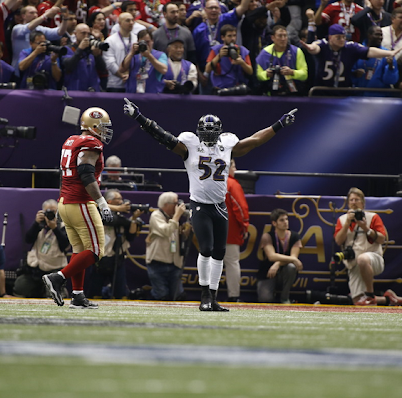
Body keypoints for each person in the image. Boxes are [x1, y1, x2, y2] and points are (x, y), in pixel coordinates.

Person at [123, 98, 297, 311]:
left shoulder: (226, 146)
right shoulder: (190, 146)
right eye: (205, 131)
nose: (208, 135)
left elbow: (254, 141)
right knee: (205, 249)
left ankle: (212, 298)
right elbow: (163, 136)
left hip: (219, 206)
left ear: (219, 132)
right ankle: (204, 296)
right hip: (200, 205)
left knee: (219, 252)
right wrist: (139, 117)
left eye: (212, 131)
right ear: (198, 132)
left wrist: (279, 124)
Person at [42, 107, 115, 309]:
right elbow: (85, 172)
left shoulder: (71, 140)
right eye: (103, 127)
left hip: (65, 202)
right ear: (93, 126)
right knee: (96, 251)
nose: (105, 131)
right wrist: (102, 202)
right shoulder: (91, 143)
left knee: (79, 250)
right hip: (81, 202)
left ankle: (78, 296)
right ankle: (58, 277)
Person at [333, 187, 402, 306]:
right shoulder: (342, 220)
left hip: (373, 258)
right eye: (351, 200)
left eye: (357, 200)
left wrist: (365, 228)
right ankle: (389, 299)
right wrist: (347, 223)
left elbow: (382, 239)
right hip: (353, 263)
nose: (354, 203)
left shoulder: (372, 217)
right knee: (358, 302)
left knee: (362, 259)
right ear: (348, 203)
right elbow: (338, 241)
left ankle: (369, 294)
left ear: (363, 203)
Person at [87, 189, 143, 299]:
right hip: (100, 258)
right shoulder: (98, 213)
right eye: (118, 199)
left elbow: (130, 236)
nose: (122, 202)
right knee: (94, 293)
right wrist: (120, 210)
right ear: (109, 201)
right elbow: (109, 219)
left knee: (120, 293)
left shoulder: (121, 217)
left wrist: (134, 219)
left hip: (117, 258)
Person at [305, 23, 399, 88]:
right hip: (321, 90)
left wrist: (389, 53)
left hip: (343, 91)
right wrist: (311, 48)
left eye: (343, 37)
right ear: (330, 37)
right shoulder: (323, 44)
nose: (342, 40)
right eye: (338, 38)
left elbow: (369, 51)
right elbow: (315, 48)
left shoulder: (350, 47)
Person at [13, 199, 70, 298]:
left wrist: (54, 228)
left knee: (53, 294)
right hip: (36, 269)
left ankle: (60, 291)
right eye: (48, 212)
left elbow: (65, 245)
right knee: (20, 286)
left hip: (54, 269)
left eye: (53, 211)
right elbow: (28, 239)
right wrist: (36, 223)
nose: (51, 214)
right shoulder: (39, 225)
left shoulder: (64, 226)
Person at [146, 191, 187, 301]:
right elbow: (166, 231)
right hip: (157, 263)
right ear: (166, 204)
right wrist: (177, 216)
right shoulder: (156, 215)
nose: (177, 206)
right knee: (161, 296)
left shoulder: (174, 218)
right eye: (175, 203)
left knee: (178, 296)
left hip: (175, 263)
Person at [256, 208, 301, 304]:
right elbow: (271, 256)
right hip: (268, 272)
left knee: (291, 267)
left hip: (284, 272)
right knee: (265, 299)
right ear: (274, 223)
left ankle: (285, 298)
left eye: (286, 219)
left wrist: (278, 263)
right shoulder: (267, 236)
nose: (285, 222)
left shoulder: (295, 236)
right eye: (282, 220)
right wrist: (293, 259)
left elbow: (294, 257)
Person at [256, 24, 308, 96]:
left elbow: (304, 74)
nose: (283, 39)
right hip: (270, 93)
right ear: (273, 38)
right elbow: (258, 74)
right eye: (280, 36)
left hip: (293, 93)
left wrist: (292, 72)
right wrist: (266, 74)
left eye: (285, 36)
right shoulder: (265, 53)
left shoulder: (296, 51)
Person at [224, 159, 248, 302]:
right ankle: (233, 296)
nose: (236, 169)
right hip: (229, 230)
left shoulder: (209, 182)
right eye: (233, 166)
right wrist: (244, 226)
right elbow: (240, 207)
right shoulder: (232, 184)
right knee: (232, 262)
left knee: (210, 262)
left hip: (210, 230)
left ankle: (208, 295)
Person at [205, 24, 252, 94]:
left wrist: (242, 63)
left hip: (238, 89)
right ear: (223, 37)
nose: (232, 38)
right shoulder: (216, 50)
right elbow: (207, 70)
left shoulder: (242, 50)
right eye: (229, 36)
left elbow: (250, 71)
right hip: (221, 89)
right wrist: (218, 56)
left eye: (234, 35)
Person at [351, 25, 399, 92]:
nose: (380, 37)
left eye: (381, 35)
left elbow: (391, 81)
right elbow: (349, 75)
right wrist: (354, 74)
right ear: (369, 35)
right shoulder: (357, 51)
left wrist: (390, 67)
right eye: (377, 34)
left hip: (379, 95)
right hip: (358, 94)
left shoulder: (387, 54)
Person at [119, 28, 168, 94]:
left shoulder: (160, 55)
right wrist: (131, 53)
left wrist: (149, 56)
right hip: (133, 95)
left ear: (152, 41)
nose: (146, 45)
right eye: (142, 42)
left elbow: (164, 70)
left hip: (152, 95)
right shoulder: (134, 55)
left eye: (147, 42)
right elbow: (121, 69)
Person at [62, 23, 102, 91]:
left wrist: (97, 56)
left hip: (93, 90)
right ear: (75, 33)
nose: (86, 36)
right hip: (75, 90)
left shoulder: (91, 49)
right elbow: (68, 66)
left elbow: (102, 69)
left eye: (88, 34)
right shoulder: (68, 49)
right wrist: (80, 49)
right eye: (83, 33)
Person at [103, 12, 137, 92]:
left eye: (132, 20)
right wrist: (121, 75)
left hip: (133, 83)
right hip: (115, 84)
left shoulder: (136, 39)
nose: (131, 23)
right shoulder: (110, 41)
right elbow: (110, 62)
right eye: (128, 20)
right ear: (120, 23)